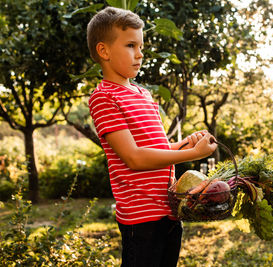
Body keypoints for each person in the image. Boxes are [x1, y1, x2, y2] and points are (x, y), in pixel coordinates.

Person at [86, 6, 217, 267]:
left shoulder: (143, 95)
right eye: (131, 45)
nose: (140, 54)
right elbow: (134, 157)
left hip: (169, 211)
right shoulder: (104, 97)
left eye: (141, 46)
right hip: (141, 220)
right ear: (104, 51)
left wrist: (183, 144)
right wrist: (193, 154)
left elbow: (155, 148)